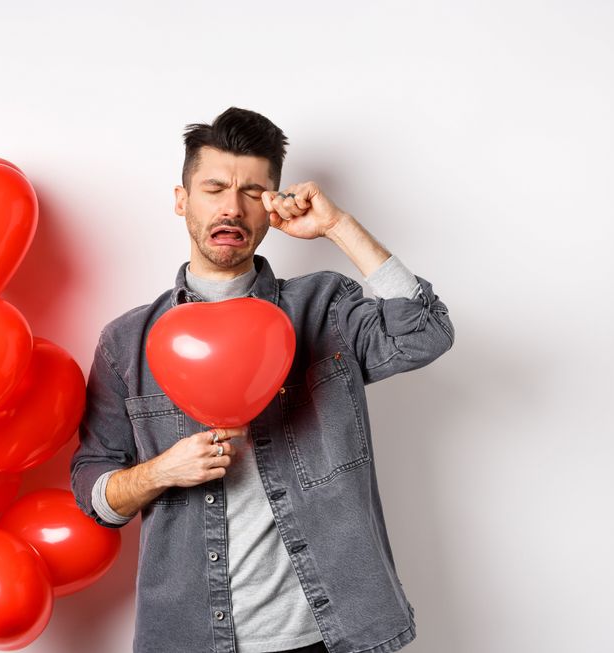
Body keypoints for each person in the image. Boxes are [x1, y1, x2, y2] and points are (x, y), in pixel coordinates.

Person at [70, 107, 454, 653]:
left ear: (271, 207)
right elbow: (94, 491)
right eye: (214, 187)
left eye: (253, 191)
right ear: (182, 200)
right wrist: (161, 471)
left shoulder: (323, 309)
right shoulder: (126, 343)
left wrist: (338, 226)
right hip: (192, 638)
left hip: (329, 633)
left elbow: (426, 333)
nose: (231, 207)